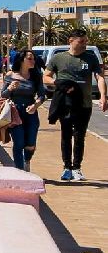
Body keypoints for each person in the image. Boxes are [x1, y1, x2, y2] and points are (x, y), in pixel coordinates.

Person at [44, 30, 108, 181]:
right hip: (65, 103)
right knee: (66, 135)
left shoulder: (90, 58)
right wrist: (57, 82)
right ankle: (67, 167)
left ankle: (77, 168)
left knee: (80, 136)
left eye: (86, 41)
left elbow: (99, 78)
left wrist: (103, 96)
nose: (85, 44)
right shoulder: (58, 58)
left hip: (84, 104)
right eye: (81, 41)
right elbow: (45, 77)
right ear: (71, 40)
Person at [0, 50, 46, 171]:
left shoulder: (36, 76)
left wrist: (35, 106)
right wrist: (10, 88)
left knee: (30, 144)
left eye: (33, 59)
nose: (33, 61)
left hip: (30, 112)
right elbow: (3, 95)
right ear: (22, 60)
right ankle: (19, 170)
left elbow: (42, 95)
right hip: (15, 113)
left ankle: (27, 160)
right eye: (30, 58)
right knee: (19, 143)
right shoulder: (10, 75)